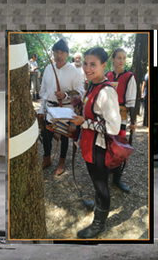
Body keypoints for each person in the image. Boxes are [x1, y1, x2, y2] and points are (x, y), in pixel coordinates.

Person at [69, 47, 121, 239]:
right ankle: (99, 207)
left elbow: (114, 128)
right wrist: (79, 105)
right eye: (85, 63)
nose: (87, 68)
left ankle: (100, 223)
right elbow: (92, 111)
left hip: (99, 147)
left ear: (103, 65)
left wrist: (86, 123)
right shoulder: (91, 85)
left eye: (93, 65)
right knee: (96, 181)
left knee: (101, 185)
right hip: (89, 145)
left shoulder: (107, 91)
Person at [38, 39, 85, 176]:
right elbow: (43, 91)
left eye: (61, 52)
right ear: (53, 53)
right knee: (46, 135)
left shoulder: (73, 71)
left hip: (65, 109)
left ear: (66, 54)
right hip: (49, 109)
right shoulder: (48, 68)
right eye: (56, 52)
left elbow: (80, 91)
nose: (58, 55)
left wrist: (65, 94)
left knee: (64, 137)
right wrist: (41, 110)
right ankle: (47, 158)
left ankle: (61, 162)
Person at [104, 48, 137, 194]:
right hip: (106, 116)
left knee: (119, 148)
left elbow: (131, 101)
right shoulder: (107, 76)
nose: (122, 61)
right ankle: (105, 172)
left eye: (124, 58)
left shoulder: (129, 77)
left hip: (121, 117)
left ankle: (117, 178)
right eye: (118, 58)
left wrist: (133, 121)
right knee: (106, 145)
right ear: (113, 59)